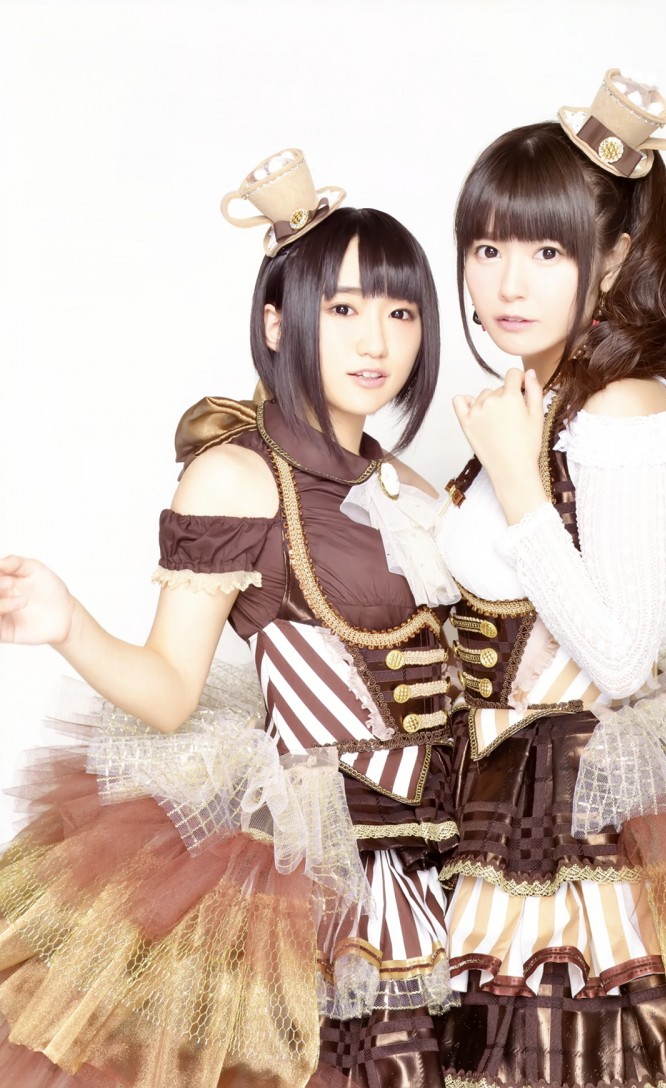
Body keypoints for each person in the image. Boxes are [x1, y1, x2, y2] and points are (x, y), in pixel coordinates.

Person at [0, 148, 460, 1087]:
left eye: (400, 312)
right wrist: (68, 622)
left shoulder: (406, 485)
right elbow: (170, 693)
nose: (375, 341)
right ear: (277, 321)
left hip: (449, 837)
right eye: (343, 309)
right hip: (320, 852)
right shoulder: (236, 477)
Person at [434, 71, 666, 1088]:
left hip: (576, 802)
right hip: (487, 782)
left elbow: (623, 657)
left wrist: (516, 485)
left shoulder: (623, 407)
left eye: (546, 251)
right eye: (487, 248)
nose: (508, 284)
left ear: (616, 258)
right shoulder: (539, 395)